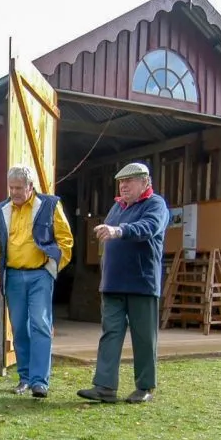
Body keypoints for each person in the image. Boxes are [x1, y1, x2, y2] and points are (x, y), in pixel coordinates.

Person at [77, 162, 169, 404]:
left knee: (144, 337)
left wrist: (119, 231)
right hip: (113, 284)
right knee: (110, 334)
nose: (124, 185)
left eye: (130, 181)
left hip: (142, 283)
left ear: (145, 182)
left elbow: (148, 228)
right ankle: (105, 387)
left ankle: (145, 386)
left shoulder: (155, 205)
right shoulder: (116, 207)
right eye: (121, 182)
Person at [0, 165, 74, 398]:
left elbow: (66, 240)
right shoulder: (0, 210)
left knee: (41, 324)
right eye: (11, 187)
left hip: (39, 275)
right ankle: (24, 378)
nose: (14, 192)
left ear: (30, 187)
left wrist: (51, 268)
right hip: (13, 276)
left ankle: (39, 382)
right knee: (19, 328)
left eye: (19, 188)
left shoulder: (50, 205)